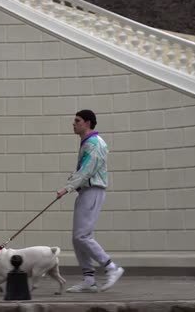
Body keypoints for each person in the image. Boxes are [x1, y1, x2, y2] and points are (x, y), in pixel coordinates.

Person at [56, 109, 124, 293]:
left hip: (93, 191)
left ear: (87, 123)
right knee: (78, 239)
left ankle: (111, 267)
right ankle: (89, 279)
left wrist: (67, 187)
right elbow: (84, 170)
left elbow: (87, 170)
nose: (73, 123)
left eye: (77, 120)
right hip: (86, 191)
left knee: (82, 236)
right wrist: (73, 184)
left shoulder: (95, 143)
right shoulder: (88, 142)